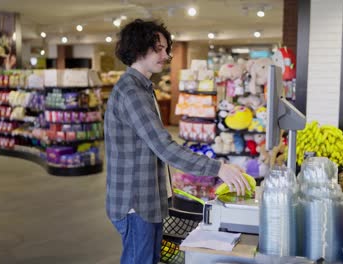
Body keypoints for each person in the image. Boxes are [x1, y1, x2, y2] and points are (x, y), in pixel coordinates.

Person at [105, 19, 249, 264]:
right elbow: (164, 147)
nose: (166, 55)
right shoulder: (132, 92)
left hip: (145, 200)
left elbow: (156, 145)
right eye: (158, 49)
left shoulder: (141, 87)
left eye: (166, 48)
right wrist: (218, 169)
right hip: (136, 203)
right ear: (139, 48)